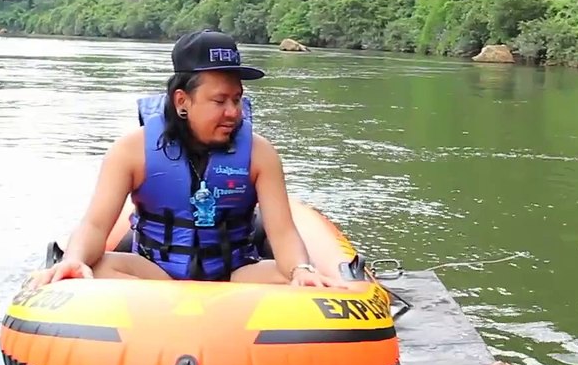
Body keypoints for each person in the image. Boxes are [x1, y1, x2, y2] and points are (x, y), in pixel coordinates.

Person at [25, 29, 346, 289]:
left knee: (300, 278)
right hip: (154, 274)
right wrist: (75, 259)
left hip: (235, 274)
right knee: (93, 267)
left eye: (237, 99)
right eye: (219, 101)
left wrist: (301, 270)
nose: (233, 112)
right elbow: (95, 225)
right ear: (182, 101)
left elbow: (283, 233)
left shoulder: (260, 154)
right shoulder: (130, 151)